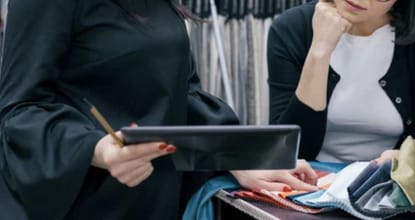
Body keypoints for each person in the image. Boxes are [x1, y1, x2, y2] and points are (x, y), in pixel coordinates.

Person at [0, 0, 316, 219]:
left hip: (150, 200)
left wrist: (241, 156)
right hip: (78, 201)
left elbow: (181, 94)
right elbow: (21, 110)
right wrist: (96, 149)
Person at [266, 0, 415, 163]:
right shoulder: (291, 28)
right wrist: (319, 52)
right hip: (307, 181)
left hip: (391, 187)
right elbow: (287, 150)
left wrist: (402, 162)